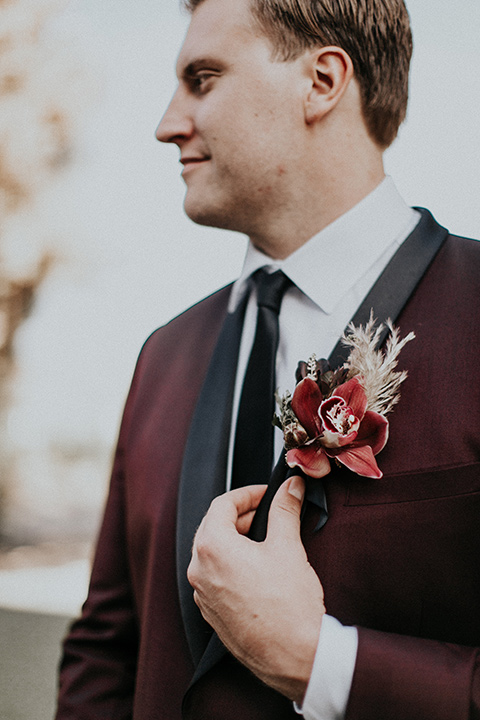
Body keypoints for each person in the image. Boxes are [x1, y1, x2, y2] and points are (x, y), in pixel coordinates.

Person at [55, 0, 480, 718]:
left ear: (321, 81)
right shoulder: (163, 356)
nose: (167, 123)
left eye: (203, 78)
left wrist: (324, 665)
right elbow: (106, 648)